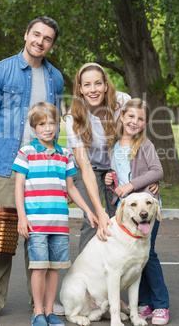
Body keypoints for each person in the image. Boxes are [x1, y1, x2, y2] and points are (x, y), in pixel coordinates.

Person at [0, 16, 65, 322]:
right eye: (36, 34)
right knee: (3, 237)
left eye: (47, 38)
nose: (40, 41)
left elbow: (55, 126)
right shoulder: (0, 71)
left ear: (52, 44)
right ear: (26, 35)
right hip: (5, 166)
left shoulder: (56, 79)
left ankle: (38, 302)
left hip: (43, 169)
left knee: (39, 235)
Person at [12, 102, 98, 326]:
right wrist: (22, 216)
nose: (47, 128)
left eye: (51, 123)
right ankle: (38, 312)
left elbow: (71, 188)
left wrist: (88, 210)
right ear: (34, 128)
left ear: (58, 126)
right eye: (42, 124)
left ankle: (50, 311)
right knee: (39, 269)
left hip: (59, 223)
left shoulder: (65, 154)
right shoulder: (26, 152)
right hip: (36, 223)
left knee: (53, 269)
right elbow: (18, 186)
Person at [105, 98, 170, 325]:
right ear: (122, 116)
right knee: (135, 259)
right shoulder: (113, 146)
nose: (135, 122)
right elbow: (119, 178)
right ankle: (143, 303)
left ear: (145, 123)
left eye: (141, 119)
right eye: (131, 116)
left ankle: (161, 305)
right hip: (128, 214)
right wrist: (109, 180)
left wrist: (132, 186)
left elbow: (157, 171)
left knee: (147, 255)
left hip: (146, 211)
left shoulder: (144, 145)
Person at [65, 62, 131, 252]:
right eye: (87, 85)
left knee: (118, 215)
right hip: (85, 167)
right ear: (80, 89)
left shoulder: (122, 102)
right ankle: (85, 272)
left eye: (97, 84)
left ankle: (116, 266)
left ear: (106, 85)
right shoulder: (73, 117)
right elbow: (85, 168)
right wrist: (98, 209)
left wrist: (147, 176)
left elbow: (136, 141)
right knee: (94, 216)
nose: (93, 90)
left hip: (114, 166)